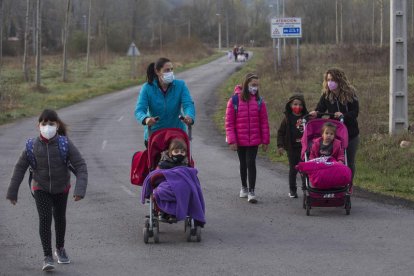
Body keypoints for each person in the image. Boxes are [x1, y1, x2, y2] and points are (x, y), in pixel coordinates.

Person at [6, 109, 88, 272]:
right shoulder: (31, 145)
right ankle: (47, 256)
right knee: (44, 218)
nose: (48, 127)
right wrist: (12, 192)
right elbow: (19, 168)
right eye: (44, 124)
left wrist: (80, 190)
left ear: (57, 126)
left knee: (59, 218)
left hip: (61, 187)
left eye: (51, 124)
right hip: (40, 187)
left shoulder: (65, 143)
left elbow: (80, 166)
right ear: (39, 126)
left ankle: (60, 248)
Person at [225, 73, 270, 203]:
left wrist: (265, 140)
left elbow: (264, 122)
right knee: (243, 163)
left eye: (257, 85)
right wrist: (232, 140)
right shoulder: (234, 100)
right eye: (253, 85)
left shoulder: (259, 101)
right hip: (240, 140)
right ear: (246, 85)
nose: (255, 88)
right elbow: (229, 122)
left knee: (251, 162)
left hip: (254, 139)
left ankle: (252, 191)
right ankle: (244, 187)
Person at [309, 68, 359, 181]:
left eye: (332, 79)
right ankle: (334, 182)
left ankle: (348, 183)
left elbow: (355, 112)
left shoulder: (351, 94)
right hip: (334, 135)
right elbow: (320, 110)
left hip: (351, 134)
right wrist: (315, 113)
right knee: (334, 160)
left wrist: (344, 115)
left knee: (349, 161)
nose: (330, 82)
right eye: (328, 80)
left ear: (339, 80)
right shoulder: (327, 95)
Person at [135, 57, 195, 146]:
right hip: (155, 135)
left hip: (176, 134)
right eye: (167, 70)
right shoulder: (147, 88)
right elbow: (139, 110)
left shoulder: (180, 85)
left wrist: (189, 116)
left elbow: (188, 104)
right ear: (157, 71)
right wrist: (146, 119)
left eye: (171, 69)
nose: (170, 73)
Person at [277, 94, 308, 198]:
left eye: (300, 105)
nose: (297, 106)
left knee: (304, 169)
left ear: (303, 106)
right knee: (293, 170)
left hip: (304, 149)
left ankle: (305, 188)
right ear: (290, 105)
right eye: (295, 104)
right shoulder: (287, 118)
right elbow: (281, 132)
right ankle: (292, 190)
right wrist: (280, 145)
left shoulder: (306, 118)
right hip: (292, 148)